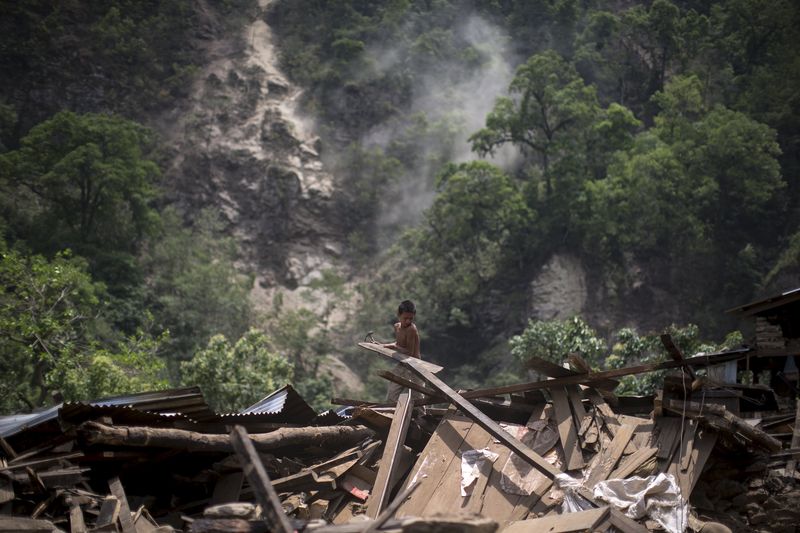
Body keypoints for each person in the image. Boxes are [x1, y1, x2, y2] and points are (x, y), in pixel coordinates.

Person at [382, 300, 421, 402]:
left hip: (415, 367)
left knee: (417, 400)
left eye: (411, 318)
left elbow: (409, 353)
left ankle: (421, 417)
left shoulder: (412, 329)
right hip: (403, 364)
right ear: (399, 315)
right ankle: (395, 416)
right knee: (392, 396)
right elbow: (399, 344)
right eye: (405, 318)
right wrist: (386, 345)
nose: (408, 321)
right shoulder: (397, 327)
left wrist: (394, 347)